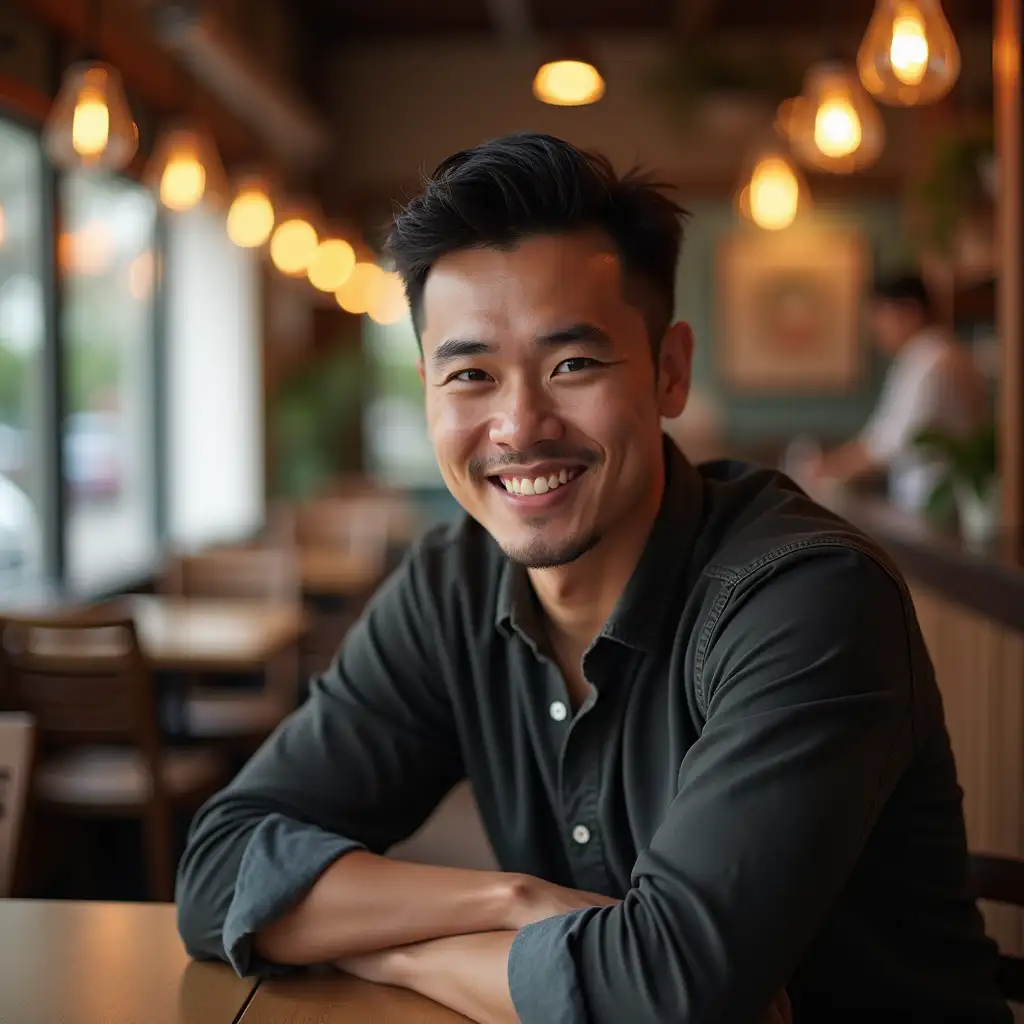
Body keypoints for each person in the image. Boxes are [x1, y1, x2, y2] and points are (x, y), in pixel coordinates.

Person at [176, 133, 1009, 1024]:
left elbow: (669, 995)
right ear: (427, 390)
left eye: (572, 364)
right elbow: (220, 870)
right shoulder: (450, 587)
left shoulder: (806, 600)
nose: (518, 426)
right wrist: (508, 904)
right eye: (470, 375)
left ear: (669, 371)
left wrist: (387, 946)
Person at [805, 273, 989, 511]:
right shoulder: (918, 357)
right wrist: (831, 465)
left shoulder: (934, 359)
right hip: (923, 497)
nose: (874, 327)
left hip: (938, 500)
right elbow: (879, 434)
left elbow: (893, 441)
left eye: (880, 315)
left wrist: (831, 470)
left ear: (910, 311)